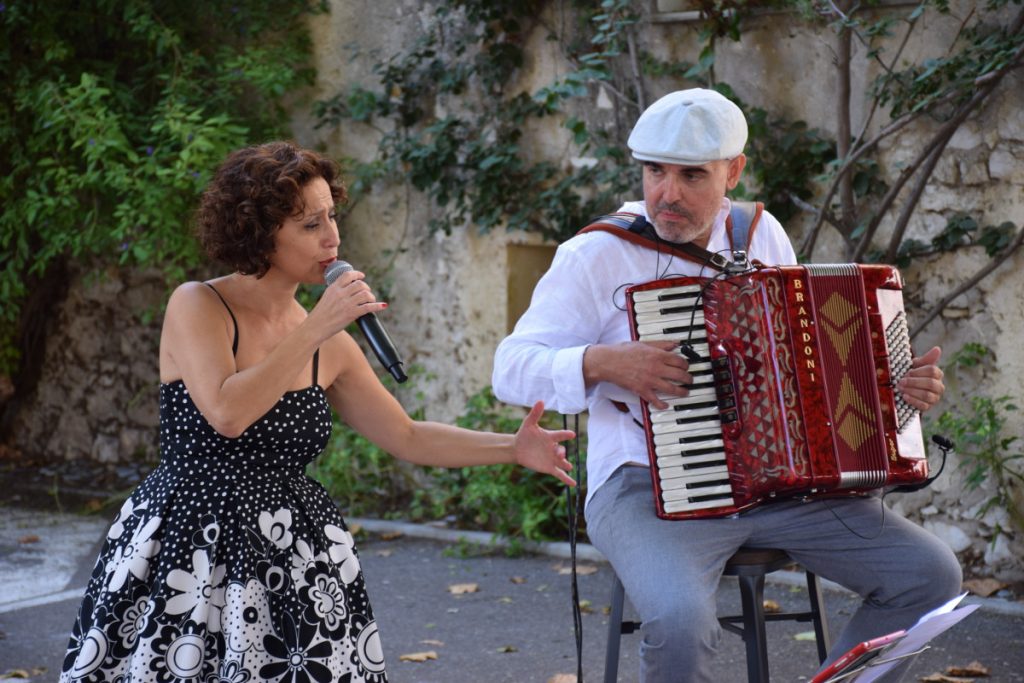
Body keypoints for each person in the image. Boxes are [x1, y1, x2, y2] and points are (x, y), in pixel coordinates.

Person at [59, 140, 576, 683]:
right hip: (192, 540)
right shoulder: (199, 305)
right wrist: (316, 325)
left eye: (331, 216)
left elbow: (407, 435)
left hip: (294, 549)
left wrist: (512, 448)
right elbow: (227, 413)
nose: (332, 237)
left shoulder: (330, 343)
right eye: (309, 225)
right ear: (258, 231)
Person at [492, 88, 962, 682]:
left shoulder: (761, 237)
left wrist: (894, 386)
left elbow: (803, 372)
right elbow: (509, 366)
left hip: (781, 490)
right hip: (645, 488)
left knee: (929, 576)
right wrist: (603, 362)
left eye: (691, 175)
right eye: (654, 172)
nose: (667, 193)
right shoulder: (597, 255)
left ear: (733, 171)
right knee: (680, 619)